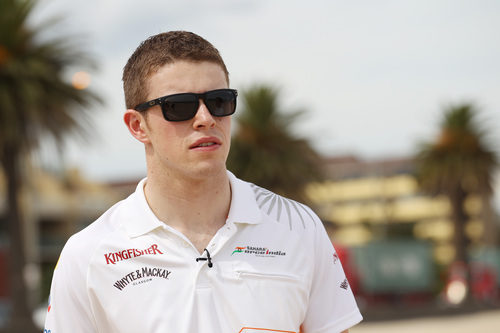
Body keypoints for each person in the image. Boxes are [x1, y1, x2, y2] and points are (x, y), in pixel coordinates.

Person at [44, 31, 362, 333]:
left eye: (219, 101)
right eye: (179, 106)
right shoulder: (88, 255)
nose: (206, 118)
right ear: (137, 126)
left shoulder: (298, 227)